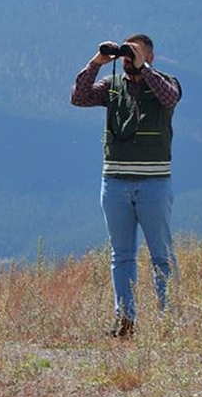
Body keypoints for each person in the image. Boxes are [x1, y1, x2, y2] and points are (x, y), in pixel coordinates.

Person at [71, 34, 182, 338]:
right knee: (121, 255)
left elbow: (170, 98)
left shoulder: (165, 81)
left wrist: (144, 69)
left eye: (135, 53)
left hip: (154, 183)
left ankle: (169, 322)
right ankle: (125, 321)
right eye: (126, 53)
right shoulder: (112, 85)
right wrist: (97, 62)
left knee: (161, 254)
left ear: (151, 56)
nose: (129, 59)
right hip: (115, 182)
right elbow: (79, 97)